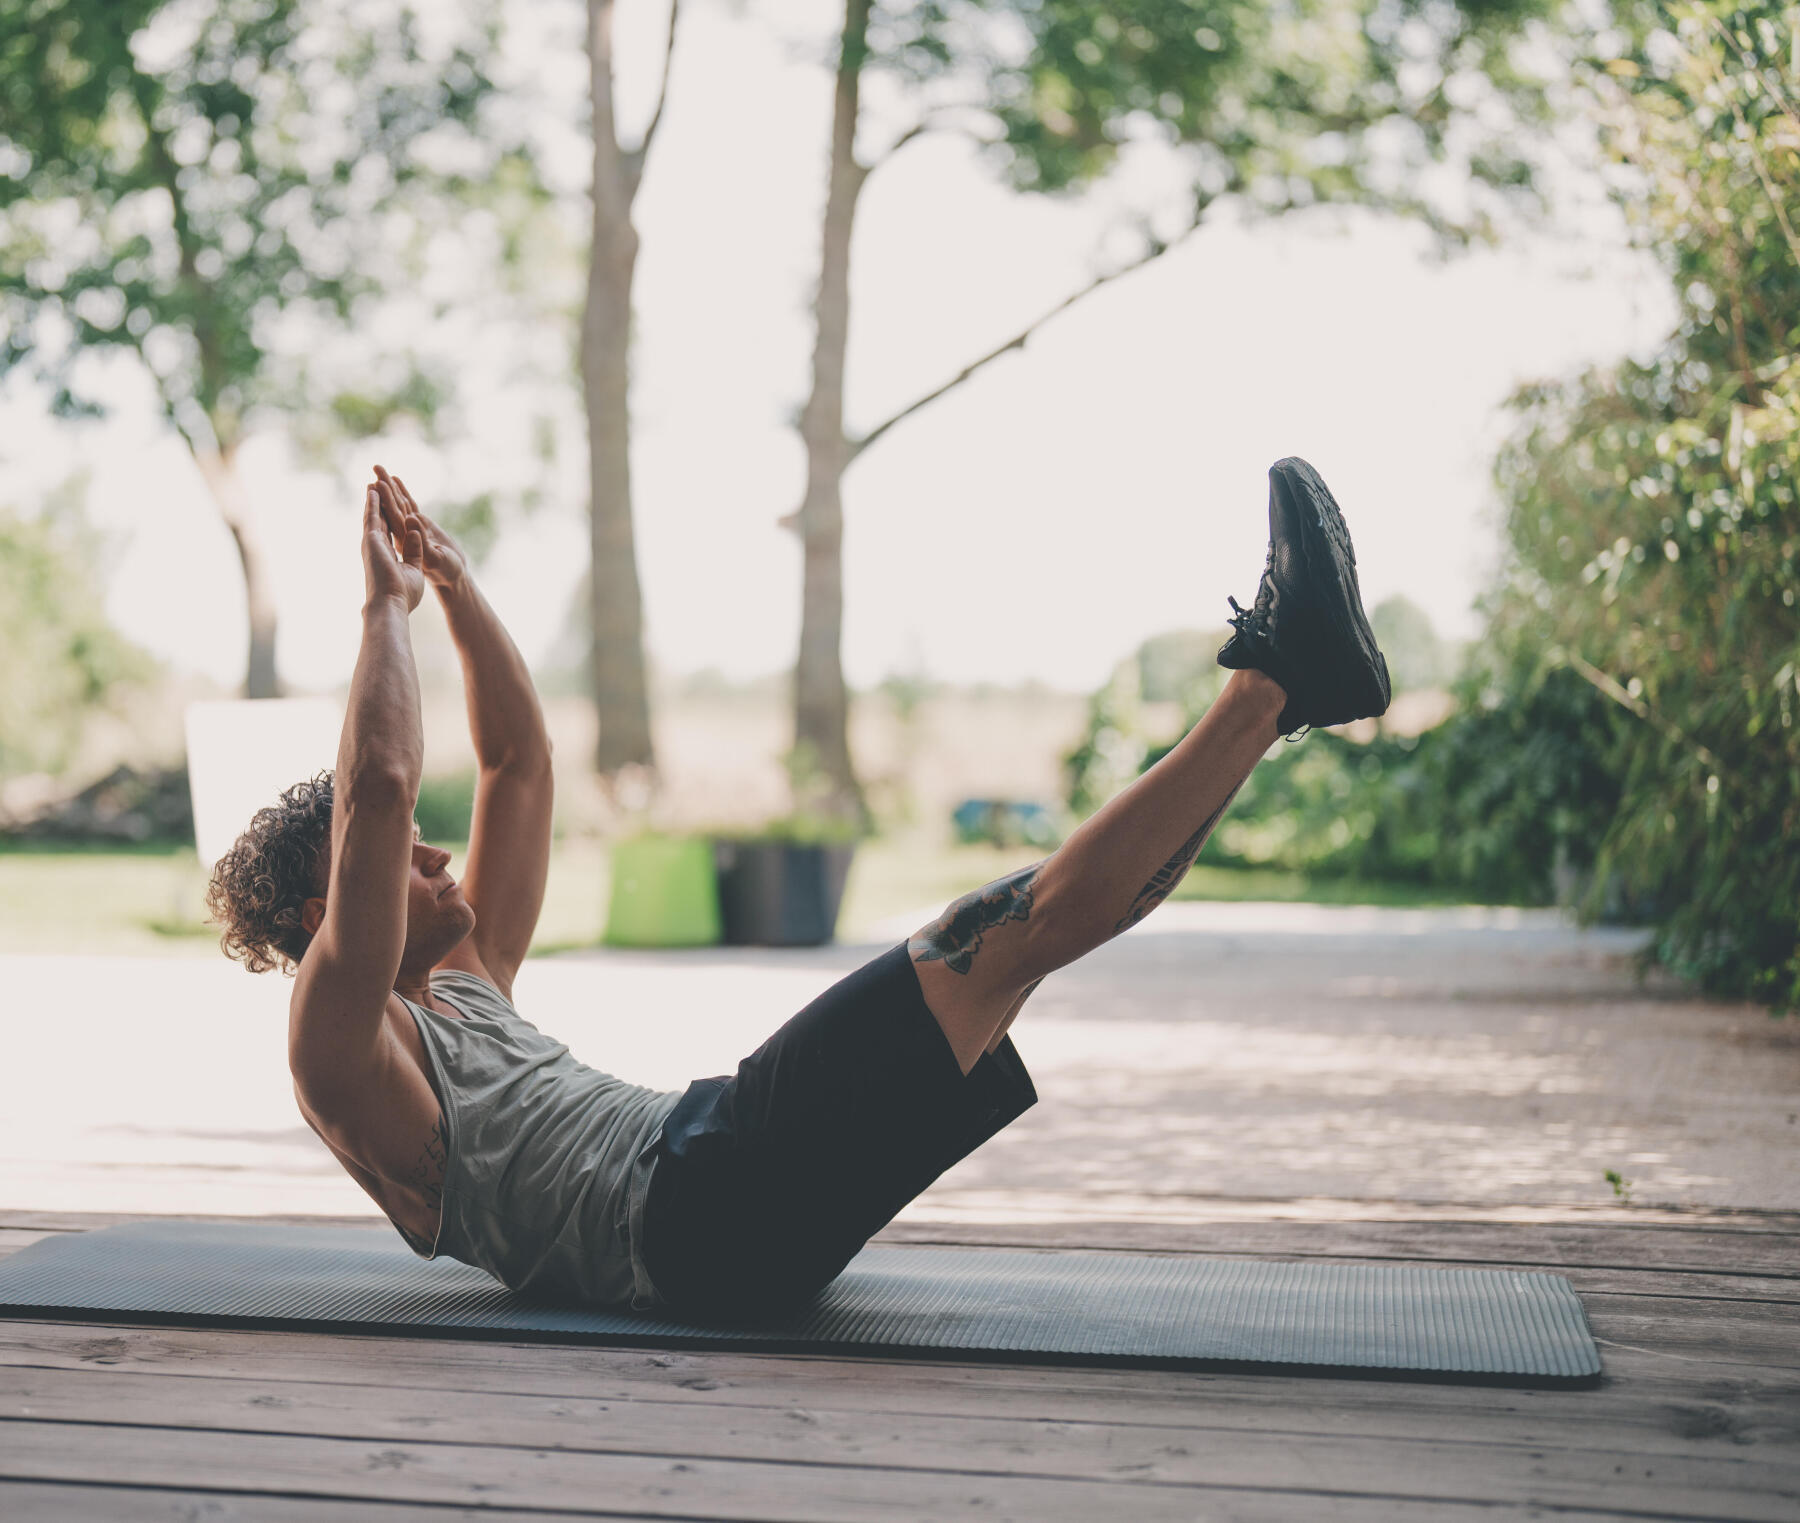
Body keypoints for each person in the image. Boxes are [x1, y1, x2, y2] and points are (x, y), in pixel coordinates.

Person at [205, 459, 1390, 1320]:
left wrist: (454, 585)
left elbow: (521, 762)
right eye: (402, 856)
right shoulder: (342, 1042)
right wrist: (378, 611)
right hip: (695, 1205)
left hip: (715, 1190)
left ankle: (1283, 690)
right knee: (995, 938)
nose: (434, 855)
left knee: (1010, 947)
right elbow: (378, 784)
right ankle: (1279, 676)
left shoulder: (462, 979)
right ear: (330, 914)